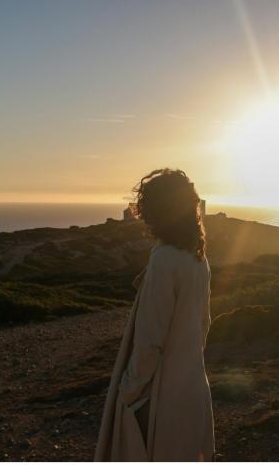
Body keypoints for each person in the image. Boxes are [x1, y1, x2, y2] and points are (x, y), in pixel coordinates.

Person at [95, 168, 214, 462]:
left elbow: (150, 340)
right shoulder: (198, 258)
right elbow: (204, 324)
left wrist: (129, 389)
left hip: (161, 393)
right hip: (193, 383)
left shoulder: (164, 260)